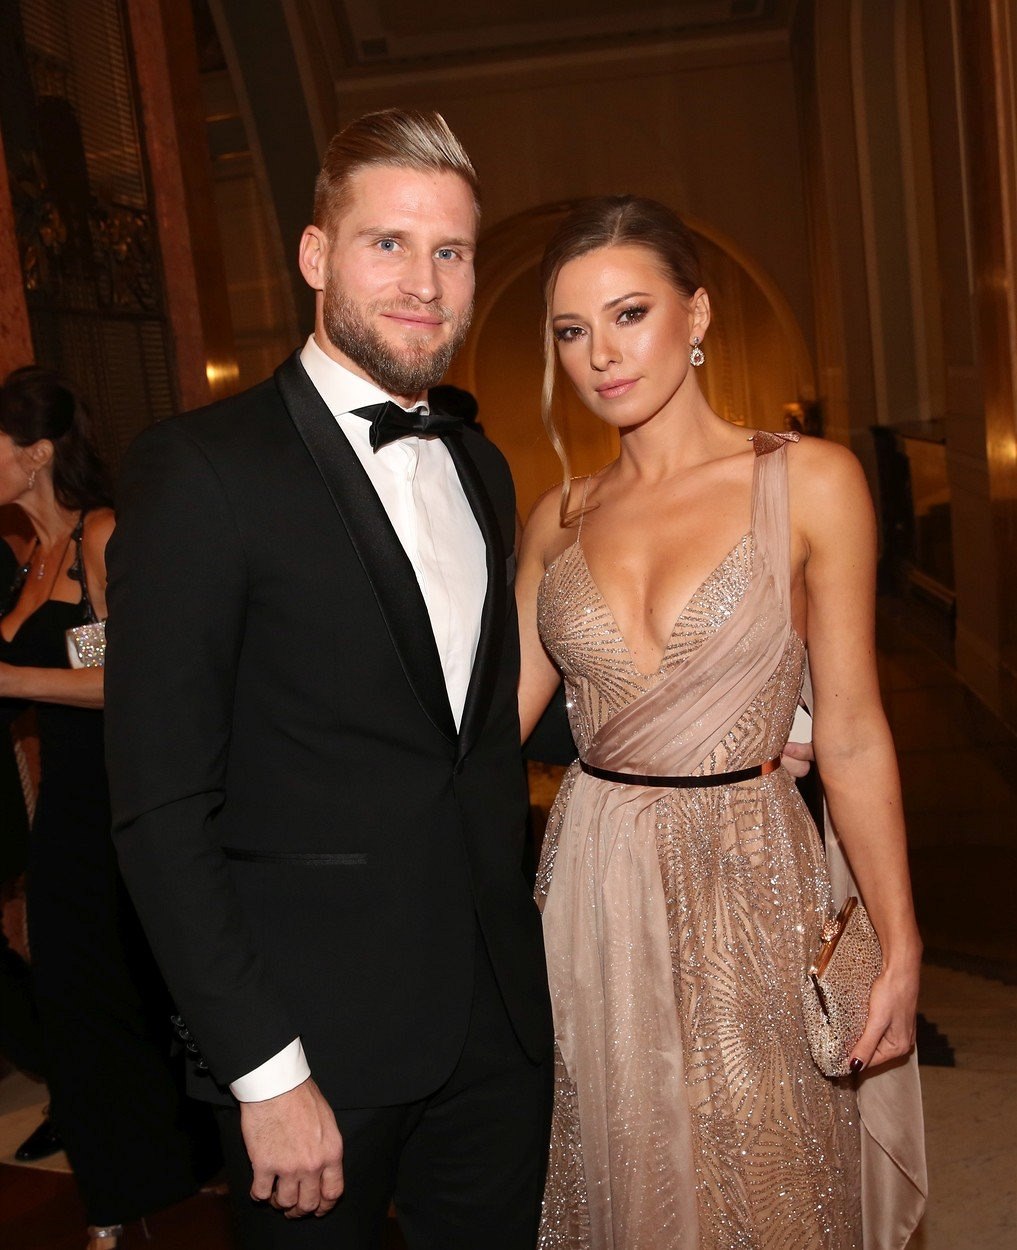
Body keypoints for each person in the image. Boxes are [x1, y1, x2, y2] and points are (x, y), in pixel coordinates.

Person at [103, 109, 553, 1249]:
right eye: (386, 243)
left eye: (450, 251)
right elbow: (160, 806)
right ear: (315, 255)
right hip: (312, 1047)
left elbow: (471, 731)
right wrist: (262, 1070)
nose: (424, 282)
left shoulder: (484, 469)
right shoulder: (201, 469)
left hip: (496, 1024)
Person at [515, 196, 927, 1248]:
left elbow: (850, 731)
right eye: (571, 330)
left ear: (695, 316)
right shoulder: (556, 518)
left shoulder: (811, 480)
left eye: (630, 314)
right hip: (594, 875)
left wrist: (899, 939)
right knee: (622, 1161)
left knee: (770, 1166)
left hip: (750, 866)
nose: (601, 354)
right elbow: (481, 731)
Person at [0, 366, 217, 1250]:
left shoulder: (102, 534)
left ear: (36, 453)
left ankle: (159, 1174)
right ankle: (116, 1187)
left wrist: (13, 679)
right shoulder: (30, 557)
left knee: (132, 997)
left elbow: (137, 679)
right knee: (73, 1002)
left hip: (127, 802)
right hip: (66, 806)